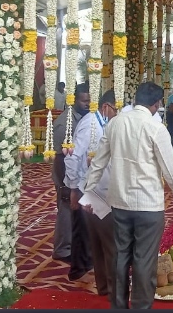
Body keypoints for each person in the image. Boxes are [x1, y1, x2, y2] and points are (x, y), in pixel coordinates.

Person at [85, 82, 173, 309]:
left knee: (120, 256)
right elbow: (170, 169)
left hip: (119, 204)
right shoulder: (155, 128)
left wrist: (88, 193)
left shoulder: (115, 124)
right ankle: (140, 307)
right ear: (156, 104)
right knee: (144, 259)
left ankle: (119, 306)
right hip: (149, 207)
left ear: (135, 99)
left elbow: (98, 162)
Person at [64, 89, 118, 295]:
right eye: (116, 109)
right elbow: (72, 157)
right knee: (106, 240)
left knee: (98, 240)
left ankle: (104, 285)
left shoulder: (107, 123)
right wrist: (74, 189)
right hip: (92, 189)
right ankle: (110, 287)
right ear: (106, 107)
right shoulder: (91, 123)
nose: (118, 114)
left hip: (104, 189)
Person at [50, 83, 91, 263]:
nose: (88, 104)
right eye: (84, 101)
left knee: (78, 211)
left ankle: (75, 246)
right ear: (74, 100)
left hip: (79, 174)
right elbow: (60, 158)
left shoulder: (87, 118)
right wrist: (63, 185)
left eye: (90, 100)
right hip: (64, 174)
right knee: (66, 210)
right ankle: (62, 249)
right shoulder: (63, 123)